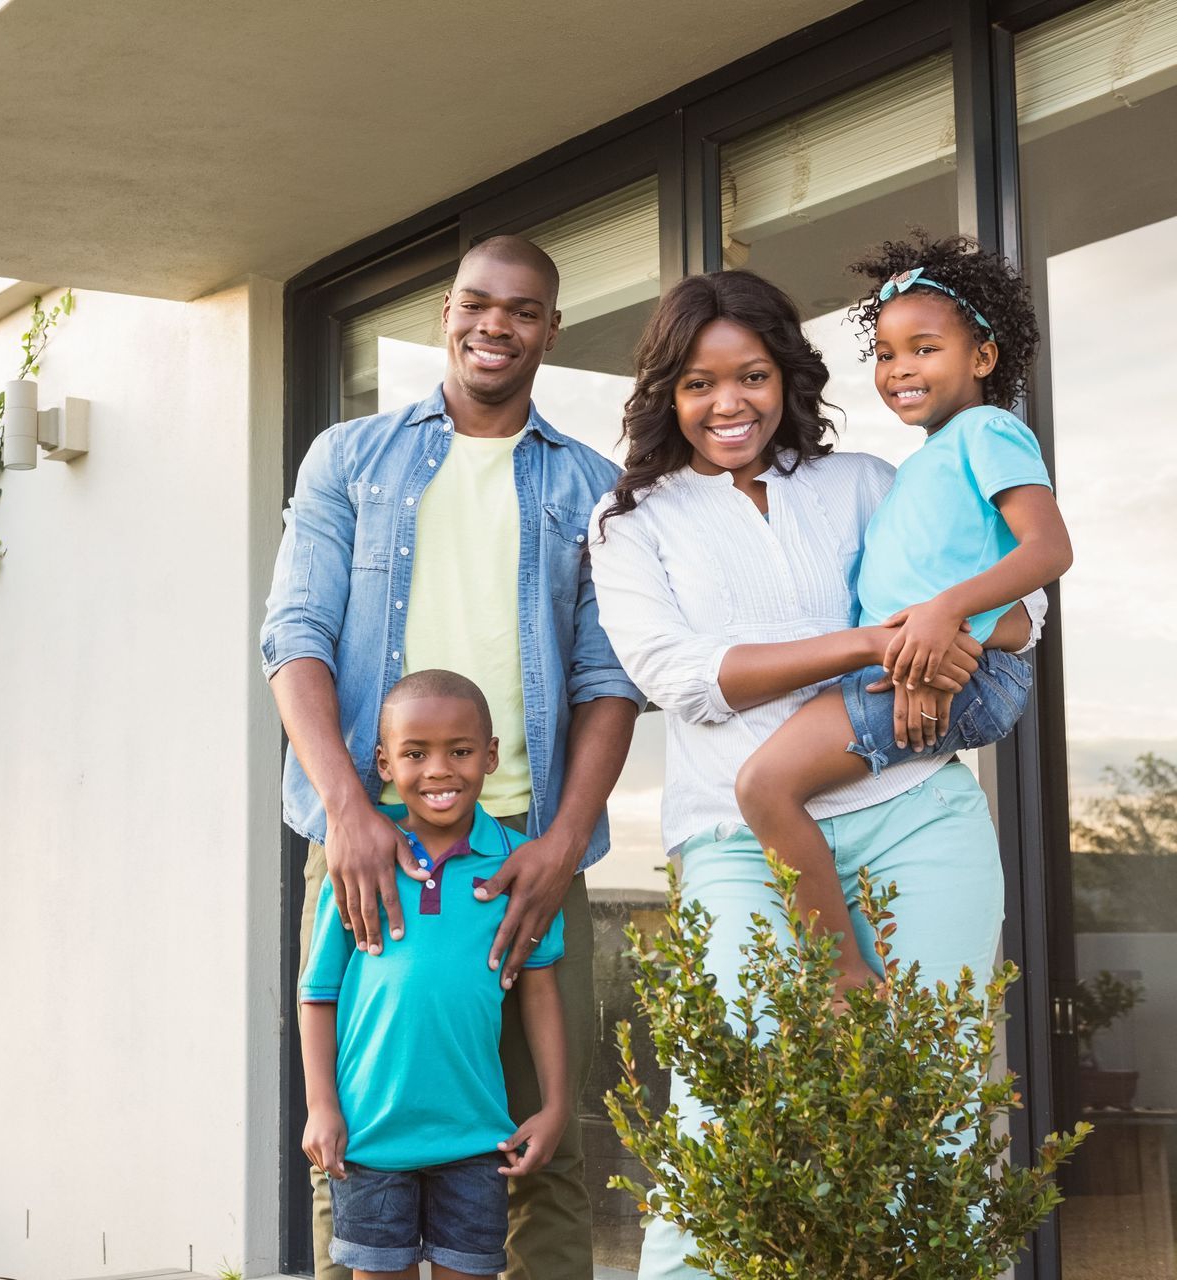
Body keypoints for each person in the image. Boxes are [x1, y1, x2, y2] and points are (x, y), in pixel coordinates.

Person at [585, 268, 1044, 1279]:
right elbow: (685, 678)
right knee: (733, 1096)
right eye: (701, 383)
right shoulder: (632, 523)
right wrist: (871, 644)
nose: (729, 403)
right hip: (740, 840)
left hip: (916, 816)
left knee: (932, 1102)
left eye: (752, 375)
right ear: (668, 391)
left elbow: (1022, 609)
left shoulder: (867, 482)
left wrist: (949, 630)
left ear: (787, 378)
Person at [262, 233, 643, 1280]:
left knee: (541, 1147)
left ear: (551, 329)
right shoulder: (351, 457)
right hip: (368, 839)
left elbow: (611, 676)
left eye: (522, 310)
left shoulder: (593, 486)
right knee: (354, 1146)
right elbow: (293, 634)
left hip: (527, 846)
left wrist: (563, 842)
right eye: (478, 303)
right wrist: (350, 810)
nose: (496, 325)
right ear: (446, 311)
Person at [734, 233, 1070, 994]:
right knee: (770, 783)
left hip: (974, 675)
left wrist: (942, 621)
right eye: (886, 354)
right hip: (937, 666)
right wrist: (919, 647)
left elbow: (1047, 550)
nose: (901, 370)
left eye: (924, 349)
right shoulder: (922, 464)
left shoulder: (989, 432)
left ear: (982, 358)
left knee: (764, 787)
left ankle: (842, 973)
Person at [300, 670, 569, 1279]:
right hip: (370, 1140)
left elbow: (541, 992)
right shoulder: (361, 862)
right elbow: (317, 995)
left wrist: (555, 1105)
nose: (439, 770)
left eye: (461, 750)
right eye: (415, 753)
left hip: (476, 1142)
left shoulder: (517, 865)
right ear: (384, 763)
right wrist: (322, 1107)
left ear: (492, 756)